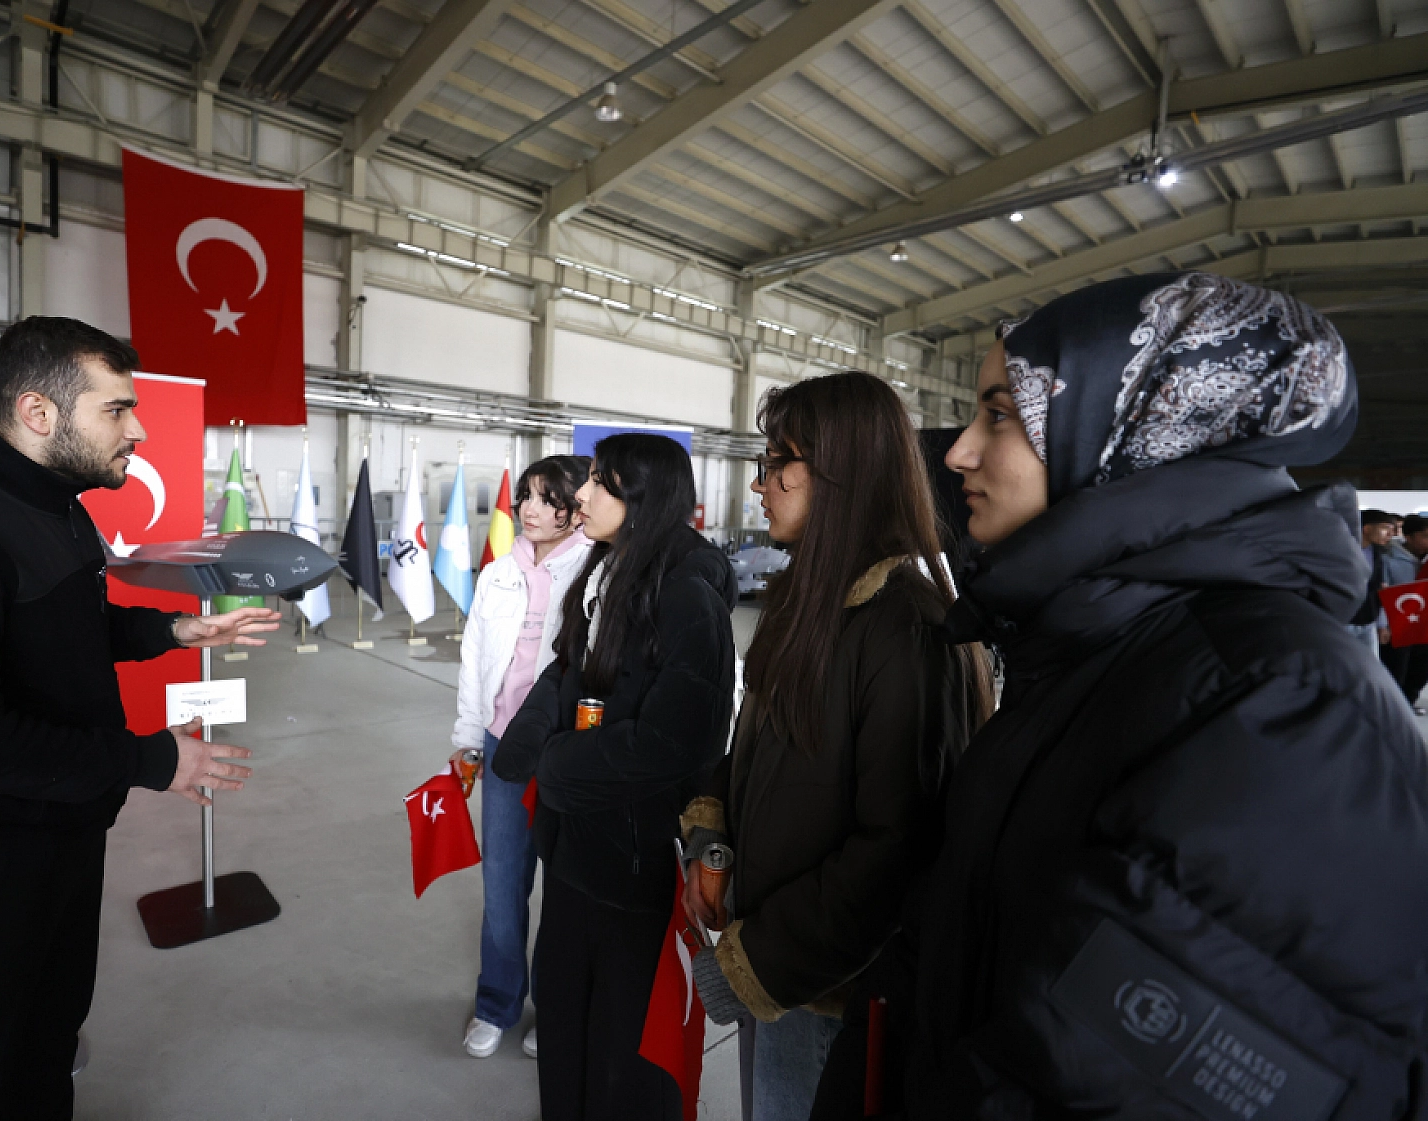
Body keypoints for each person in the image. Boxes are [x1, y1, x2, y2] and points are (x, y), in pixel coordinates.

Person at [901, 272, 1428, 1117]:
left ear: (1136, 428)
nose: (960, 451)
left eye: (999, 414)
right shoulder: (1098, 647)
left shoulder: (1274, 699)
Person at [0, 317, 280, 1120]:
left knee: (43, 1041)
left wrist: (173, 630)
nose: (139, 428)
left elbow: (67, 629)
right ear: (39, 413)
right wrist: (151, 760)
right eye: (116, 410)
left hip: (60, 836)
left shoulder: (59, 505)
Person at [673, 372, 988, 1121]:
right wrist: (711, 836)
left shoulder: (907, 627)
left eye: (780, 460)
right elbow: (754, 753)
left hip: (829, 996)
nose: (760, 484)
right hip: (778, 967)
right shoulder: (802, 601)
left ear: (846, 470)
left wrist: (751, 966)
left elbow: (896, 850)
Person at [492, 434, 737, 1121]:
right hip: (573, 855)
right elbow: (571, 667)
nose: (582, 494)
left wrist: (556, 765)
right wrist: (531, 732)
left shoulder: (689, 598)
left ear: (647, 500)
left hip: (634, 872)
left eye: (602, 483)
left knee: (624, 1052)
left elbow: (676, 742)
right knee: (565, 1017)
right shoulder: (604, 574)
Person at [451, 453, 593, 1060]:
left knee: (566, 892)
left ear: (575, 505)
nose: (530, 508)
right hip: (501, 745)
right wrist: (466, 736)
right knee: (502, 888)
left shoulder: (595, 570)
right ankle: (496, 1004)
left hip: (564, 752)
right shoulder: (497, 574)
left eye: (546, 496)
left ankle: (556, 1010)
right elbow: (473, 657)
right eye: (526, 497)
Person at [1381, 513, 1428, 708]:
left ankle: (1408, 705)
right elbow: (1381, 595)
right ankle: (1393, 709)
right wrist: (1383, 624)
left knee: (1421, 670)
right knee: (1396, 670)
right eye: (1425, 536)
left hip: (1423, 627)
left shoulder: (1426, 560)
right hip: (1397, 626)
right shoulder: (1387, 559)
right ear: (1409, 537)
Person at [1348, 508, 1395, 654]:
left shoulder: (1378, 553)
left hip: (1368, 621)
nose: (1390, 534)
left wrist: (1381, 624)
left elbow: (1378, 590)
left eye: (1392, 530)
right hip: (1343, 621)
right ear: (1366, 528)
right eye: (1385, 528)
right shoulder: (1343, 552)